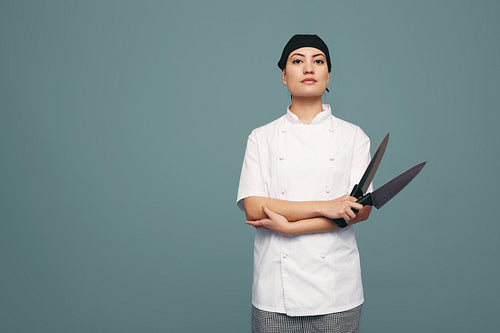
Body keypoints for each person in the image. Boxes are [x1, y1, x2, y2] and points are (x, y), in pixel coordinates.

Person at [236, 34, 372, 333]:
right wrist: (328, 206)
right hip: (275, 291)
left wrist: (291, 227)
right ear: (284, 76)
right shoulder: (262, 137)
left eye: (318, 61)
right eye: (297, 61)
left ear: (328, 73)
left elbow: (360, 212)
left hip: (338, 289)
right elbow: (254, 207)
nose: (308, 68)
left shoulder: (354, 137)